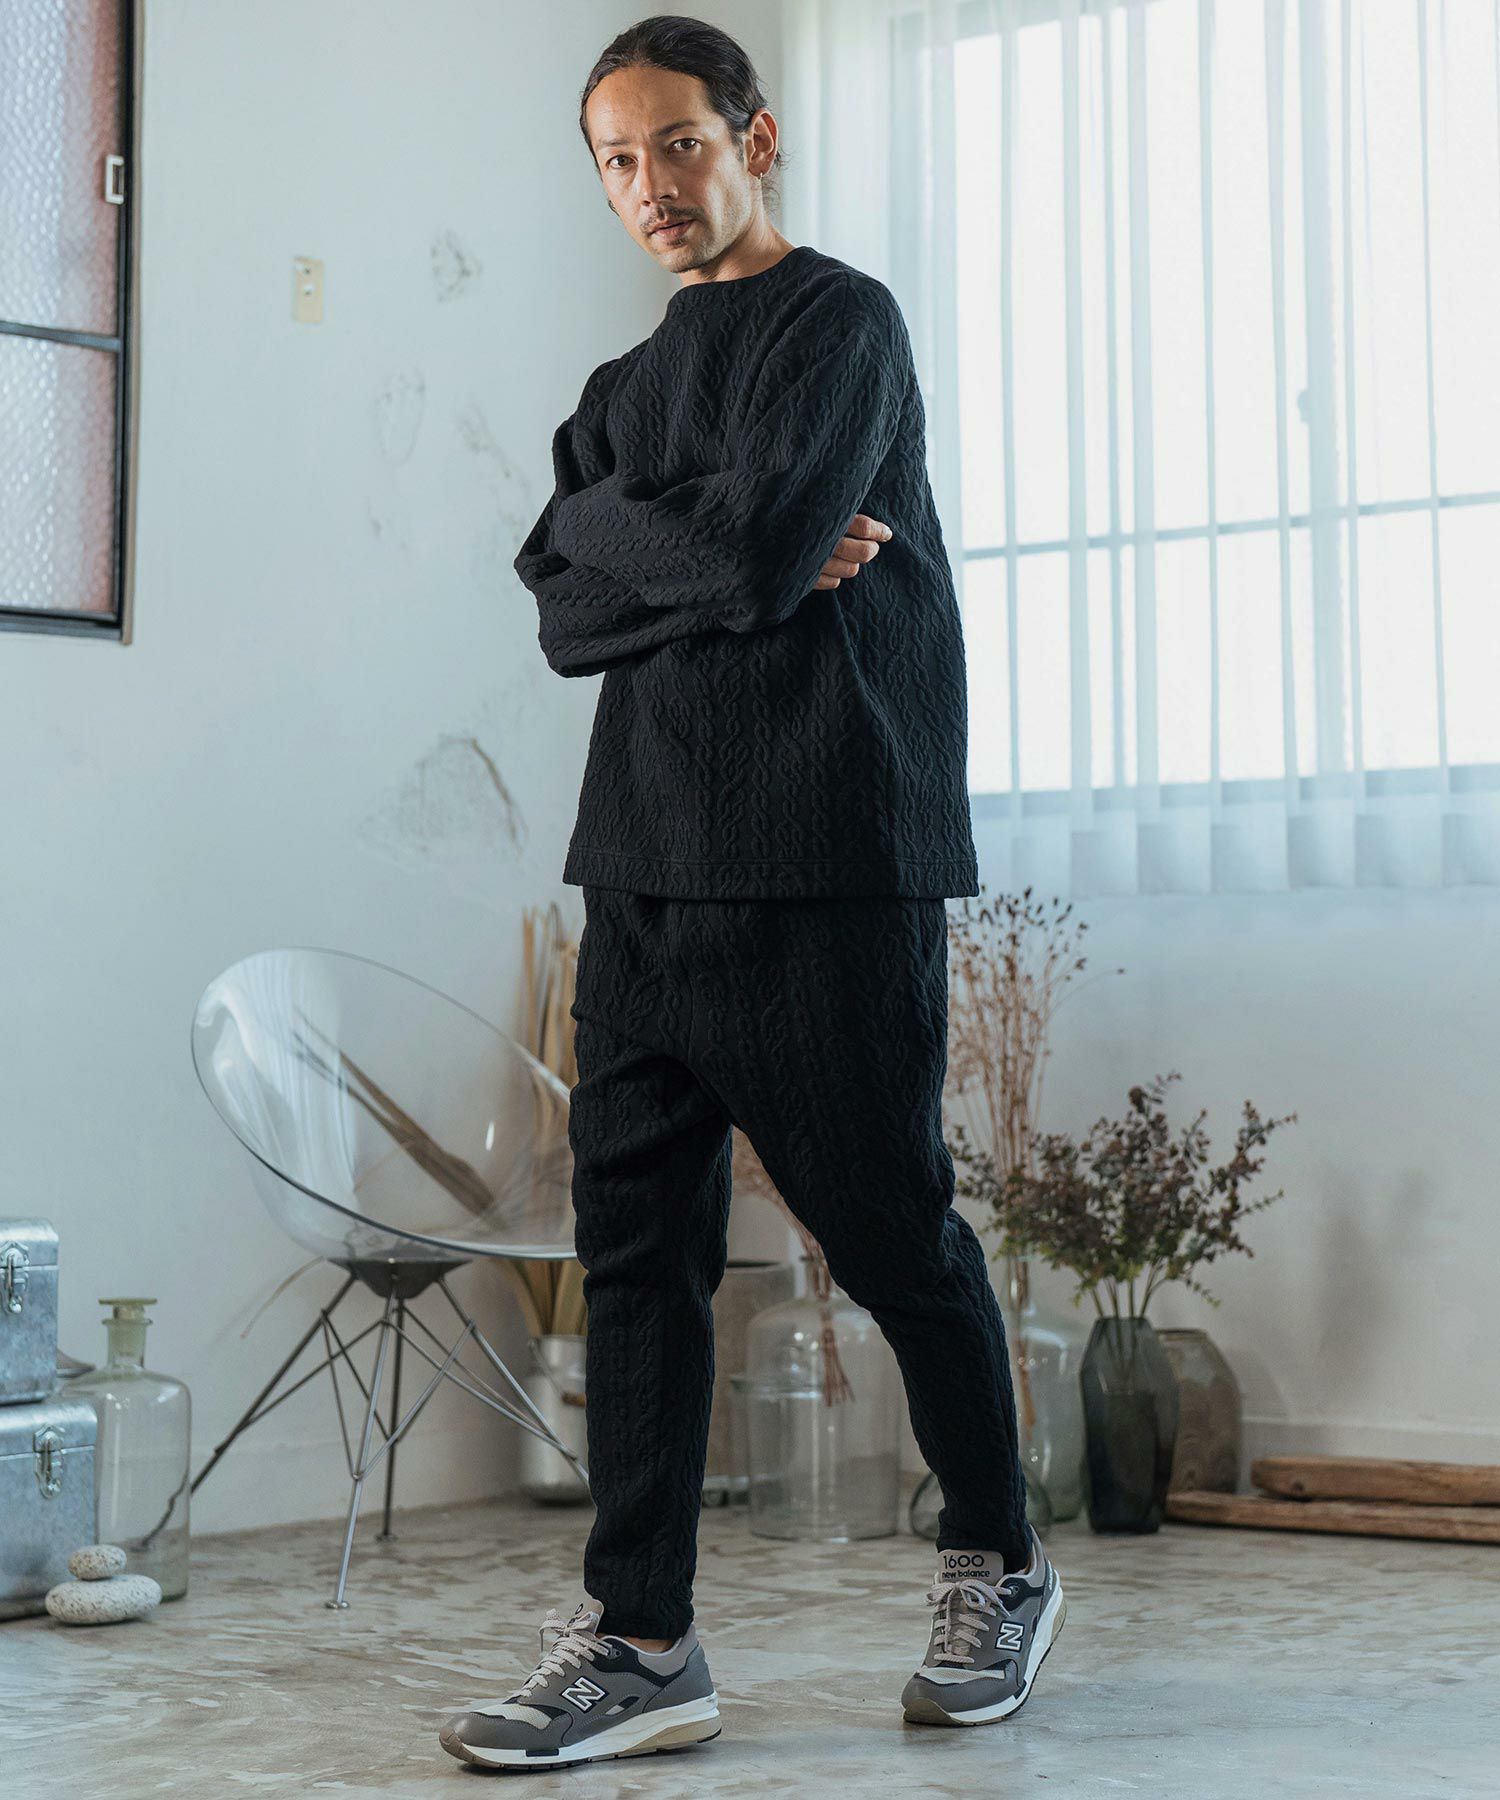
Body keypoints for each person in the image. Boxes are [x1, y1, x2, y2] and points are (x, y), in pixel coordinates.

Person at [437, 14, 1065, 1773]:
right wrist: (697, 550)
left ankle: (1000, 1563)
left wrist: (648, 538)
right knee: (637, 1261)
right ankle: (643, 1641)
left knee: (892, 1236)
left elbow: (733, 541)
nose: (650, 186)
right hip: (641, 867)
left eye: (679, 145)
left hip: (831, 861)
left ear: (755, 139)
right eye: (618, 161)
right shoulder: (618, 394)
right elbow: (558, 605)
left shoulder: (845, 326)